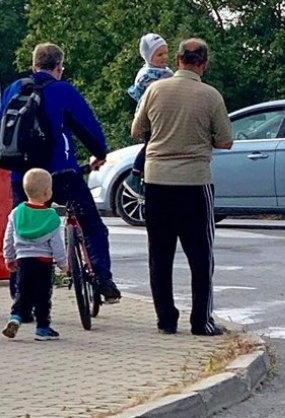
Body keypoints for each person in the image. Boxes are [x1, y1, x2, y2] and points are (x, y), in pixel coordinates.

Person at [0, 43, 121, 303]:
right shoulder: (63, 90)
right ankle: (102, 278)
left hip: (24, 175)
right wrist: (99, 153)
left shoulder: (14, 89)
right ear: (59, 67)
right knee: (91, 225)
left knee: (24, 230)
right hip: (61, 174)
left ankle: (22, 296)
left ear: (34, 66)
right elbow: (88, 127)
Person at [132, 38, 233, 336]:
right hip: (194, 183)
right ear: (203, 63)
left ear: (177, 60)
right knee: (201, 256)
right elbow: (225, 140)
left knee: (159, 255)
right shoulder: (210, 96)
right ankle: (201, 321)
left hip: (157, 181)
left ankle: (166, 319)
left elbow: (137, 130)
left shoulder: (154, 90)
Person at [2, 168, 69, 340]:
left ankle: (16, 316)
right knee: (42, 296)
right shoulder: (51, 217)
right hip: (43, 262)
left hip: (23, 260)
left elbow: (8, 237)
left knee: (22, 291)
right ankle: (42, 328)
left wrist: (9, 257)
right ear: (47, 192)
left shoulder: (17, 213)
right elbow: (57, 244)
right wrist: (63, 264)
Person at [124, 33, 174, 195]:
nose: (164, 57)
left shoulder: (166, 72)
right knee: (150, 145)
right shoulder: (146, 75)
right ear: (148, 56)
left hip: (164, 117)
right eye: (159, 54)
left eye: (166, 53)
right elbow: (151, 98)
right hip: (150, 118)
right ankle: (135, 175)